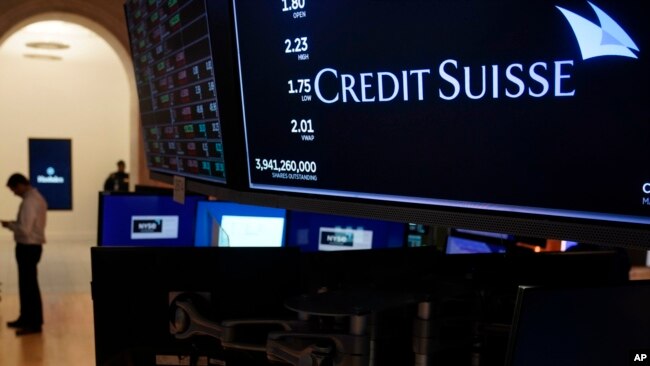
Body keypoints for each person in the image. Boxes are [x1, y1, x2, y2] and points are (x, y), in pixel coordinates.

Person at [1, 173, 47, 335]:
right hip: (32, 247)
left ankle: (32, 323)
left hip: (28, 247)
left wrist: (10, 225)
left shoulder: (29, 202)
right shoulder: (36, 198)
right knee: (28, 284)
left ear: (20, 184)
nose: (14, 193)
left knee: (28, 286)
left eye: (14, 189)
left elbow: (25, 230)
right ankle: (26, 318)